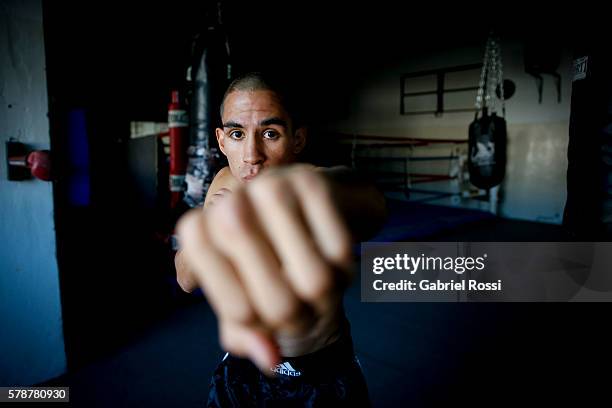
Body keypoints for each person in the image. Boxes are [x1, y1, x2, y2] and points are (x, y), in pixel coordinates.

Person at [175, 72, 386, 406]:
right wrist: (210, 226)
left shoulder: (311, 183)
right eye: (237, 133)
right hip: (243, 369)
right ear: (221, 140)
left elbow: (371, 204)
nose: (252, 155)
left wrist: (324, 192)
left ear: (297, 140)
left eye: (270, 133)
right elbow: (185, 280)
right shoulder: (224, 182)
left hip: (318, 377)